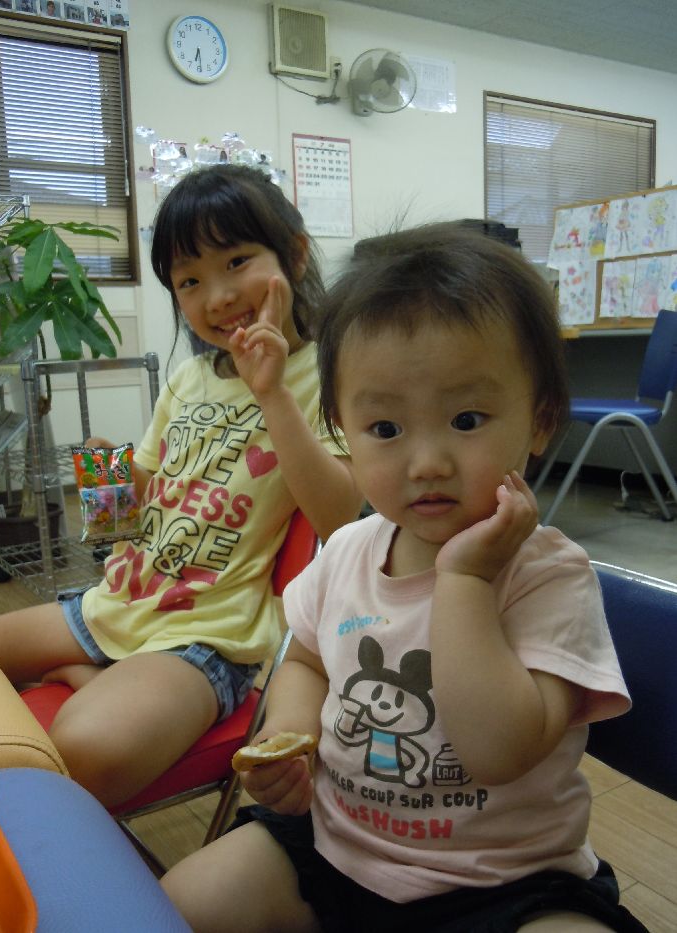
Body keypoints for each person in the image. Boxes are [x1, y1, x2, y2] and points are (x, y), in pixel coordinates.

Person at [161, 223, 647, 933]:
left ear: (540, 421)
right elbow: (305, 659)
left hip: (503, 883)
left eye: (466, 418)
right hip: (334, 849)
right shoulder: (348, 550)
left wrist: (466, 579)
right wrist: (290, 732)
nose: (426, 463)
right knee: (177, 903)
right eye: (385, 429)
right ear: (342, 427)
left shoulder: (548, 577)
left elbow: (497, 751)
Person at [0, 164, 361, 808]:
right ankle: (94, 668)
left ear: (294, 255)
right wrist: (111, 474)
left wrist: (271, 393)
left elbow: (340, 518)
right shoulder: (189, 380)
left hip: (205, 633)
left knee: (86, 751)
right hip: (117, 601)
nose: (218, 296)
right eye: (189, 281)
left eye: (236, 261)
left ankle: (90, 679)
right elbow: (135, 509)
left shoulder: (330, 375)